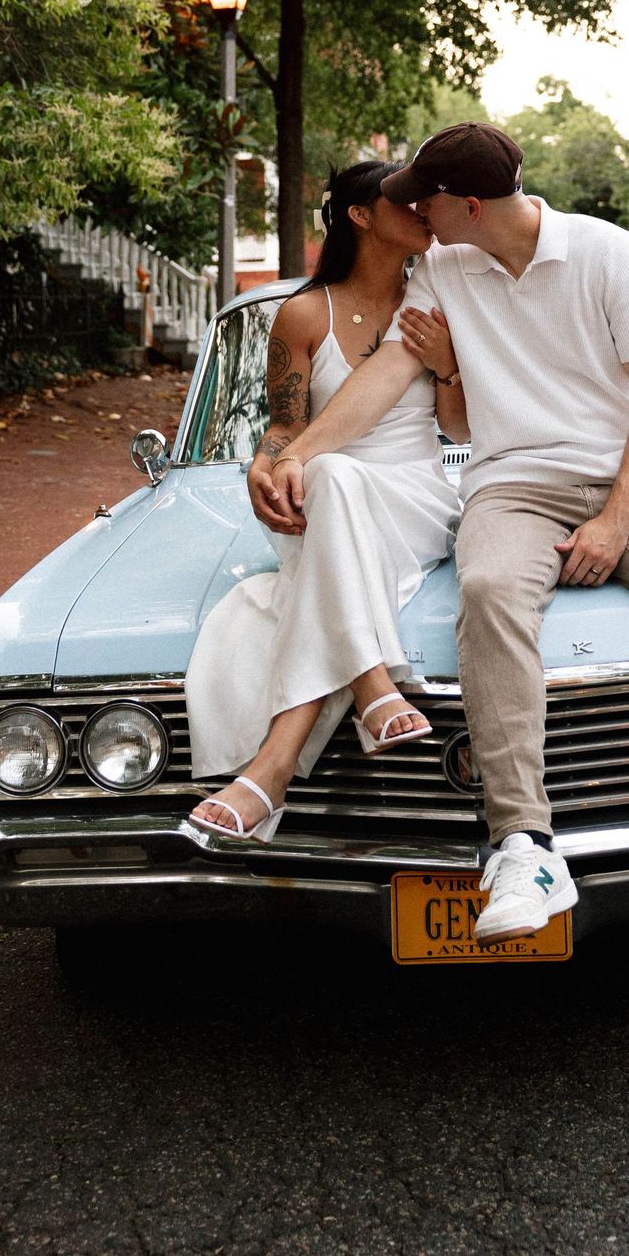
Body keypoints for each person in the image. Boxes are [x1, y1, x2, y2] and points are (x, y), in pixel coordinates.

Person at [252, 122, 629, 994]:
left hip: (628, 480)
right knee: (485, 591)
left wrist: (616, 521)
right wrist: (297, 453)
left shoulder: (606, 252)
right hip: (510, 486)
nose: (413, 209)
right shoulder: (443, 267)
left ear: (467, 204)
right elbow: (379, 381)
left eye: (425, 197)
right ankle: (523, 845)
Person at [181, 160, 464, 843]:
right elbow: (284, 426)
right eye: (406, 200)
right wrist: (262, 461)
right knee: (332, 474)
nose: (425, 210)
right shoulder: (304, 312)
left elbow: (458, 429)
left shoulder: (441, 300)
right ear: (361, 215)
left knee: (332, 475)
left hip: (416, 494)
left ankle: (276, 765)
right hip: (321, 493)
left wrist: (450, 362)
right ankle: (369, 686)